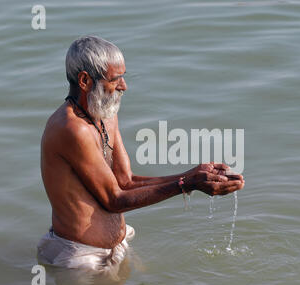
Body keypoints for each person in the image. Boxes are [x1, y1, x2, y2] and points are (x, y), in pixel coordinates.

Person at [37, 35, 244, 272]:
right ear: (85, 80)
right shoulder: (71, 128)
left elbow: (126, 181)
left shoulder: (105, 113)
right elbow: (114, 199)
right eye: (115, 79)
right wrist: (187, 184)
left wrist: (196, 174)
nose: (124, 86)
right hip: (79, 257)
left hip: (115, 245)